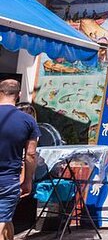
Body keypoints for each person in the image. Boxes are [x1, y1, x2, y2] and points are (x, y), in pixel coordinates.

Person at [0, 80, 39, 240]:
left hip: (8, 180)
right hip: (8, 180)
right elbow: (30, 155)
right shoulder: (28, 121)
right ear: (19, 95)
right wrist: (28, 180)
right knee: (2, 219)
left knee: (5, 219)